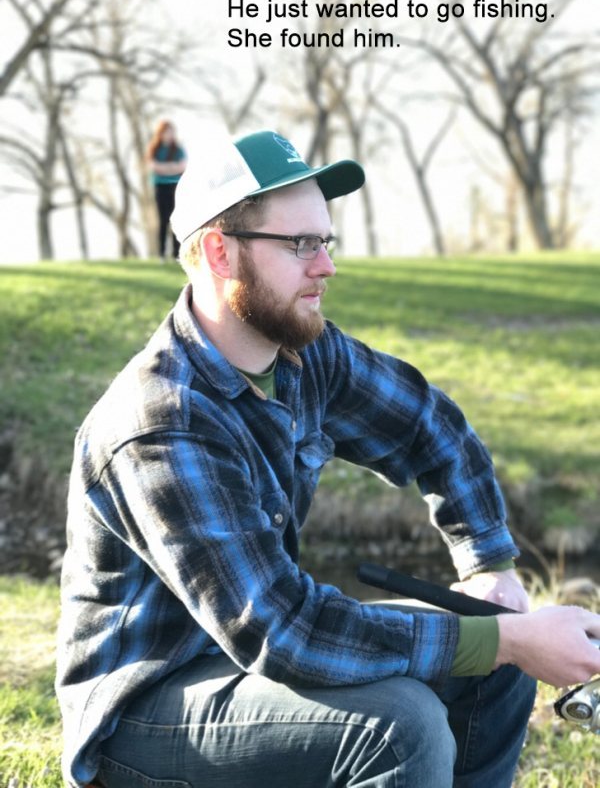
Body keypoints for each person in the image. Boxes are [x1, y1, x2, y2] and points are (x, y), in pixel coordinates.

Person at [56, 129, 600, 788]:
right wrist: (512, 638)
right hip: (146, 711)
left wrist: (489, 564)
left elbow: (433, 429)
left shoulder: (306, 356)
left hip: (249, 670)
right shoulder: (159, 425)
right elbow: (281, 629)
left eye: (326, 241)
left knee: (493, 659)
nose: (326, 266)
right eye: (300, 244)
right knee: (402, 725)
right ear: (219, 252)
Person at [146, 119, 186, 260]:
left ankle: (176, 253)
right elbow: (154, 167)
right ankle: (161, 254)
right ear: (161, 134)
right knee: (163, 220)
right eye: (167, 132)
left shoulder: (178, 149)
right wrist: (171, 168)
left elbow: (181, 167)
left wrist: (165, 168)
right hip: (160, 187)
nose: (170, 135)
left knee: (175, 219)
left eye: (171, 132)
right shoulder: (155, 149)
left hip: (175, 186)